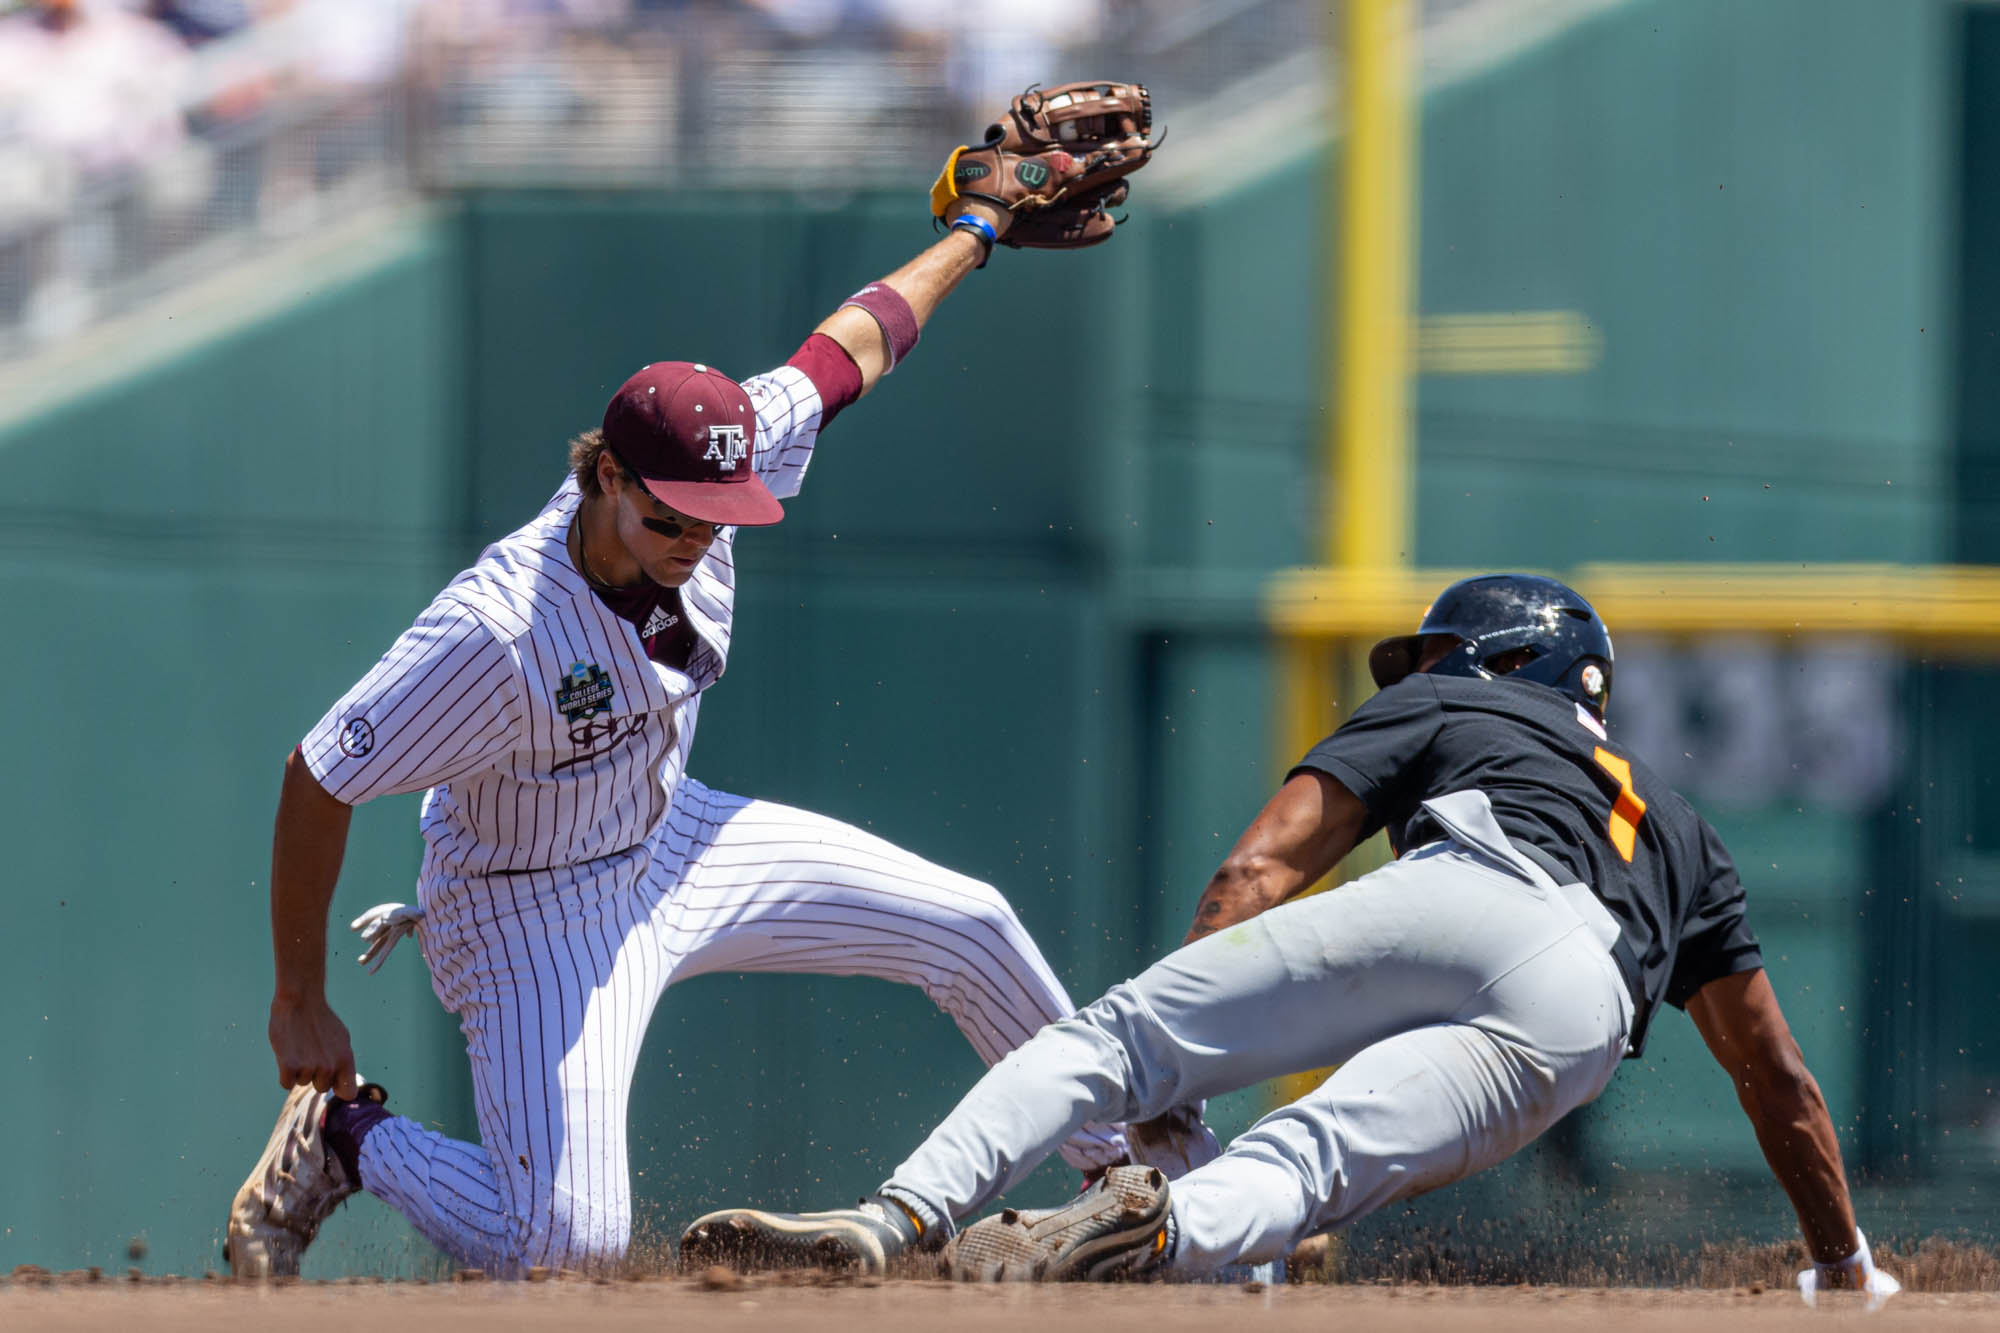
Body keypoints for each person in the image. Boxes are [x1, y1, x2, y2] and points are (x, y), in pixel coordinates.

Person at [223, 175, 1161, 1278]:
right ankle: (345, 1142)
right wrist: (298, 997)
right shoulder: (494, 630)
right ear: (607, 476)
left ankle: (1136, 1191)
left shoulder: (715, 457)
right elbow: (319, 772)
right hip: (530, 905)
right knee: (567, 1244)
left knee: (971, 925)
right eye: (669, 518)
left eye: (717, 517)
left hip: (676, 838)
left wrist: (977, 228)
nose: (696, 538)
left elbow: (850, 347)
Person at [681, 574, 1904, 1307]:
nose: (1416, 669)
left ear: (1504, 659)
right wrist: (1840, 1262)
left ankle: (893, 1221)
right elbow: (1776, 1080)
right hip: (1581, 1008)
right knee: (1308, 1161)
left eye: (1435, 651)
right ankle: (1162, 1231)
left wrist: (1171, 1085)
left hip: (1467, 881)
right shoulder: (1685, 833)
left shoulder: (1450, 699)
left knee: (1110, 1038)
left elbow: (1254, 866)